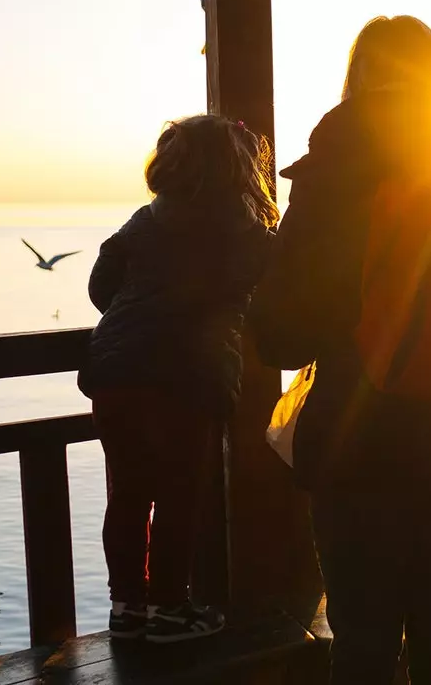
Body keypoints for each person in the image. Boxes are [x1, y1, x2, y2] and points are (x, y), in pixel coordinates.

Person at [249, 16, 431, 683]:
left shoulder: (333, 178)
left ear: (357, 87)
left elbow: (280, 331)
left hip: (362, 447)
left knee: (364, 648)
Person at [78, 115, 278, 643]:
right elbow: (267, 286)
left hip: (115, 372)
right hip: (186, 378)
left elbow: (102, 287)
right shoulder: (240, 226)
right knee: (178, 495)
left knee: (128, 492)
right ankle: (170, 608)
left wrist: (136, 318)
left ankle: (127, 608)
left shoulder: (144, 220)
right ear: (238, 167)